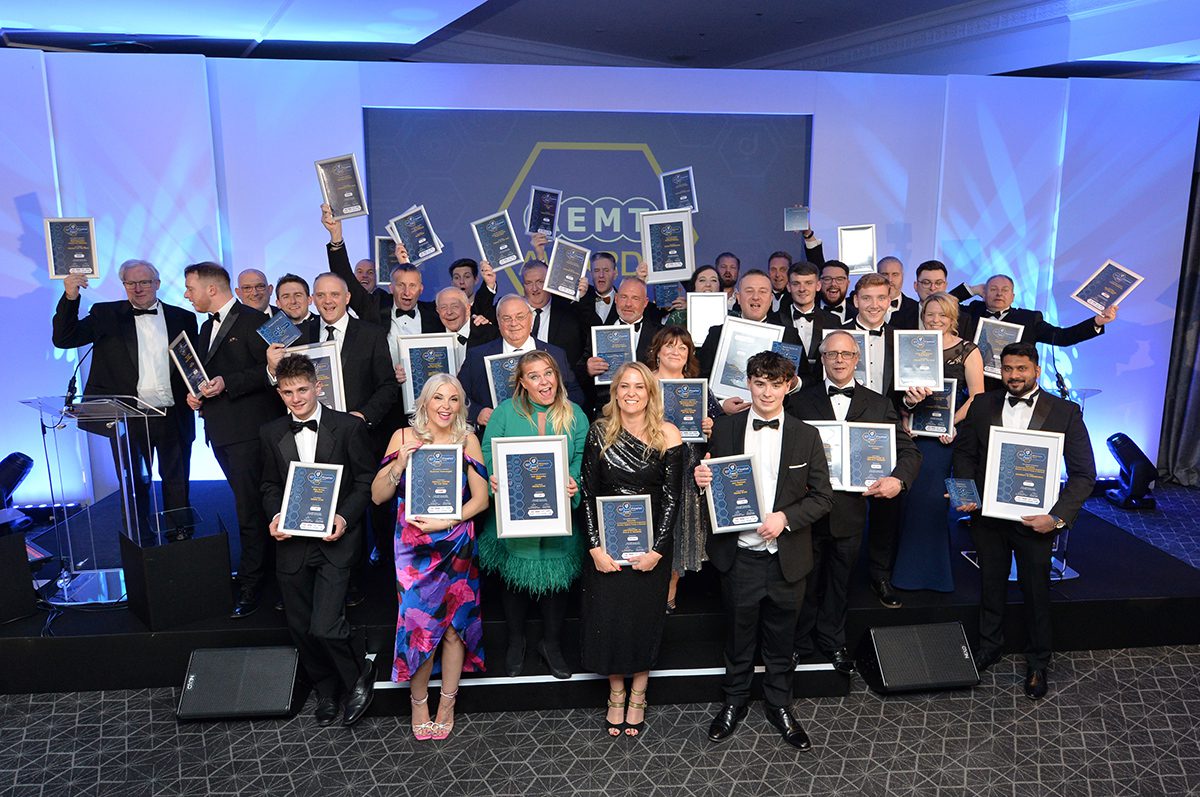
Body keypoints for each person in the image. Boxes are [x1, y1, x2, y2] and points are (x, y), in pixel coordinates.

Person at [696, 351, 833, 750]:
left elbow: (823, 498)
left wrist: (785, 518)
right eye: (759, 383)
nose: (767, 392)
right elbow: (713, 485)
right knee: (738, 637)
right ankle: (733, 702)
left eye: (775, 384)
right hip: (739, 555)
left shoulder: (806, 435)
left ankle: (780, 706)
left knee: (782, 640)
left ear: (788, 386)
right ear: (749, 384)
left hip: (788, 557)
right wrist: (701, 479)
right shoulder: (724, 428)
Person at [951, 342, 1096, 700]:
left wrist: (1057, 518)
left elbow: (1083, 474)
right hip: (987, 516)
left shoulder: (1065, 411)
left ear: (1036, 370)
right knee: (990, 584)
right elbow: (965, 455)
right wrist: (965, 494)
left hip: (1036, 520)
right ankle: (989, 647)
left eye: (1021, 369)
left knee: (1036, 590)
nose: (1014, 376)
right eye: (1008, 369)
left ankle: (1038, 661)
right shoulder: (982, 405)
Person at [785, 332, 921, 673]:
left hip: (849, 512)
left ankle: (833, 641)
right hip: (806, 509)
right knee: (803, 582)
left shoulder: (878, 404)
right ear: (822, 359)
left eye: (846, 354)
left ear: (857, 359)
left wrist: (898, 480)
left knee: (839, 582)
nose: (839, 360)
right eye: (832, 354)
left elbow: (909, 452)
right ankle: (798, 643)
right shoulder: (799, 402)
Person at [260, 354, 377, 727]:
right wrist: (275, 516)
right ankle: (327, 690)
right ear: (279, 393)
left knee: (324, 624)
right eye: (287, 392)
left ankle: (357, 677)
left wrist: (343, 518)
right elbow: (268, 485)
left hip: (335, 540)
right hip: (291, 542)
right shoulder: (271, 433)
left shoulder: (349, 427)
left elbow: (365, 482)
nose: (296, 399)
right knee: (300, 626)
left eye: (302, 390)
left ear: (318, 386)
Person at [372, 373, 490, 739]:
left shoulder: (468, 439)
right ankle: (419, 702)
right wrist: (398, 465)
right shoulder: (402, 437)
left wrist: (448, 520)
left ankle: (448, 703)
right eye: (438, 398)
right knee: (418, 628)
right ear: (424, 402)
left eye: (453, 399)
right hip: (412, 549)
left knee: (454, 628)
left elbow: (481, 500)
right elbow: (377, 496)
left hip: (455, 542)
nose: (446, 406)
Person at [51, 260, 197, 541]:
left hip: (173, 414)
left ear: (157, 284)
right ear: (124, 285)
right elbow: (64, 338)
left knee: (178, 481)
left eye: (144, 282)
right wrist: (70, 297)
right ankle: (139, 541)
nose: (138, 288)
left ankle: (181, 540)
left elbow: (193, 363)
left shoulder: (184, 317)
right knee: (134, 484)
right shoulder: (106, 314)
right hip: (127, 418)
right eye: (131, 283)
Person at [580, 362, 683, 737]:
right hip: (607, 547)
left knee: (643, 620)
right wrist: (594, 547)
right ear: (615, 392)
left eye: (639, 386)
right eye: (624, 386)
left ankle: (638, 694)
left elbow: (672, 499)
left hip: (651, 546)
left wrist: (657, 551)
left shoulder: (668, 434)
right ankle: (616, 693)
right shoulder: (599, 431)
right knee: (609, 620)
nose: (631, 393)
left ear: (650, 392)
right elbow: (588, 493)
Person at [480, 351, 588, 678]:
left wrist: (574, 483)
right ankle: (516, 641)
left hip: (558, 515)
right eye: (534, 376)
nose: (544, 381)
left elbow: (581, 459)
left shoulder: (576, 414)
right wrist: (493, 477)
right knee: (513, 581)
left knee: (556, 584)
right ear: (522, 383)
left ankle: (550, 644)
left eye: (548, 373)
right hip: (513, 515)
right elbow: (487, 453)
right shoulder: (504, 413)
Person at [183, 262, 282, 617]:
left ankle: (256, 583)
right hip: (221, 433)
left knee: (251, 510)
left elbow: (277, 371)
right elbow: (205, 376)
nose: (186, 295)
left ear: (211, 289)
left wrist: (229, 383)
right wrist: (196, 394)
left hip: (251, 433)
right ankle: (260, 576)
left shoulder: (259, 321)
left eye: (190, 288)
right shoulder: (203, 327)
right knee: (247, 506)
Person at [891, 293, 984, 592]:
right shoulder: (911, 345)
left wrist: (951, 422)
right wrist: (905, 416)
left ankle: (934, 575)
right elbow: (897, 390)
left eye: (942, 314)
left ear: (952, 317)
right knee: (907, 503)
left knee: (931, 503)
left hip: (944, 439)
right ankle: (903, 573)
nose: (935, 320)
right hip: (911, 436)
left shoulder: (968, 350)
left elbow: (977, 397)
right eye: (930, 314)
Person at [646, 326, 719, 612]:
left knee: (677, 528)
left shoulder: (698, 387)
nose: (675, 351)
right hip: (650, 465)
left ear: (689, 355)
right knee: (651, 526)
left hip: (688, 469)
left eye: (682, 347)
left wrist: (710, 427)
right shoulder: (643, 382)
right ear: (657, 351)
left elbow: (719, 426)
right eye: (669, 345)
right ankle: (647, 588)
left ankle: (671, 587)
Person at [958, 274, 1118, 389]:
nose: (999, 293)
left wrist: (1096, 322)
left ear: (1012, 296)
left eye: (1005, 290)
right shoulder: (971, 312)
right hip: (972, 388)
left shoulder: (1029, 319)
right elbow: (943, 305)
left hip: (1013, 388)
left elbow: (1062, 337)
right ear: (984, 294)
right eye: (993, 289)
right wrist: (972, 290)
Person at [457, 295, 586, 430]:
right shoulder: (477, 356)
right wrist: (477, 412)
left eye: (520, 317)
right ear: (498, 321)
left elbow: (575, 393)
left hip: (546, 430)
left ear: (531, 318)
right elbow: (458, 395)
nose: (514, 323)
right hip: (497, 432)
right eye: (507, 318)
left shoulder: (555, 354)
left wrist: (556, 409)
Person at [697, 269, 805, 415]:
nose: (756, 297)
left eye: (762, 292)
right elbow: (699, 377)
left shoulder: (788, 335)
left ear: (771, 299)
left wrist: (794, 383)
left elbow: (810, 378)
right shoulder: (717, 333)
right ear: (738, 297)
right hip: (728, 419)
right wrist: (719, 406)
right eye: (749, 291)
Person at [782, 261, 840, 386]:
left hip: (821, 391)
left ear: (818, 286)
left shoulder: (833, 321)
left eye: (808, 283)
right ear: (788, 287)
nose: (802, 289)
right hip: (786, 392)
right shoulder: (775, 320)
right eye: (796, 283)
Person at [436, 286, 498, 367]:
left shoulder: (489, 335)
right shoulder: (430, 336)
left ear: (467, 308)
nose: (449, 312)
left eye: (455, 306)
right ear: (438, 311)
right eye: (443, 307)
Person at [448, 257, 497, 323]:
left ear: (476, 280)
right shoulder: (444, 312)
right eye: (456, 277)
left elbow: (482, 303)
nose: (461, 282)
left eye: (467, 276)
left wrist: (489, 283)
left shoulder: (486, 309)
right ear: (452, 282)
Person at [578, 251, 620, 326]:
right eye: (596, 270)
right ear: (591, 274)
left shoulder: (623, 300)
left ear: (615, 273)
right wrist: (582, 298)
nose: (601, 275)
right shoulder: (580, 298)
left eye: (606, 270)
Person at [877, 257, 920, 329]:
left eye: (895, 274)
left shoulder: (916, 308)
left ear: (902, 276)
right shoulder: (864, 307)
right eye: (885, 274)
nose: (890, 280)